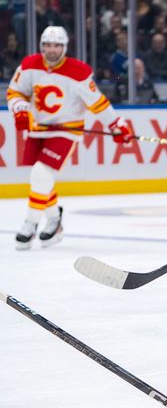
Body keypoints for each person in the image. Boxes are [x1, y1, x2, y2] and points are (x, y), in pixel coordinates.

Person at [7, 26, 132, 250]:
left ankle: (31, 223)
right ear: (41, 46)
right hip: (38, 129)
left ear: (64, 47)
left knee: (40, 173)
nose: (51, 50)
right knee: (41, 179)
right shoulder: (28, 65)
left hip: (66, 130)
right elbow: (15, 92)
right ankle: (54, 220)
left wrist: (117, 124)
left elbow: (98, 103)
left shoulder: (78, 71)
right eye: (47, 45)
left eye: (56, 45)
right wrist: (21, 110)